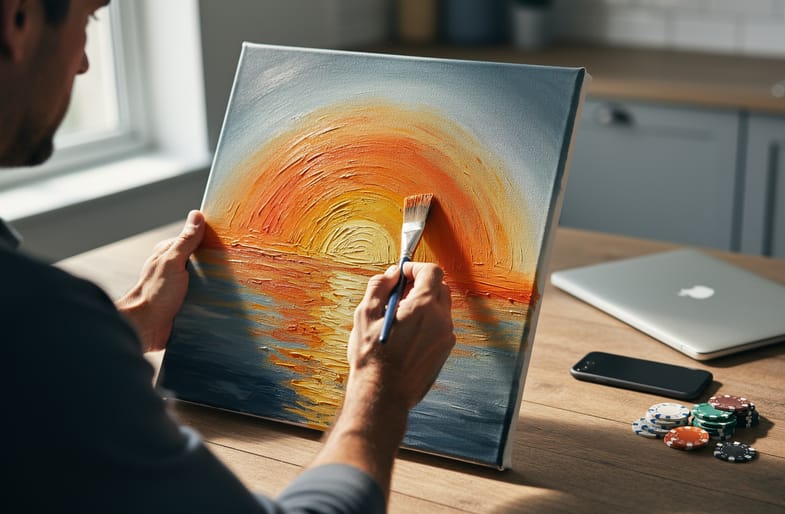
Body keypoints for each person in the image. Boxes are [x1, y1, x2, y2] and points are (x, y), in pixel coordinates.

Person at [0, 1, 456, 512]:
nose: (86, 63)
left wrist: (135, 319)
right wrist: (381, 385)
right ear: (18, 20)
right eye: (90, 18)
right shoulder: (34, 323)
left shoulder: (37, 328)